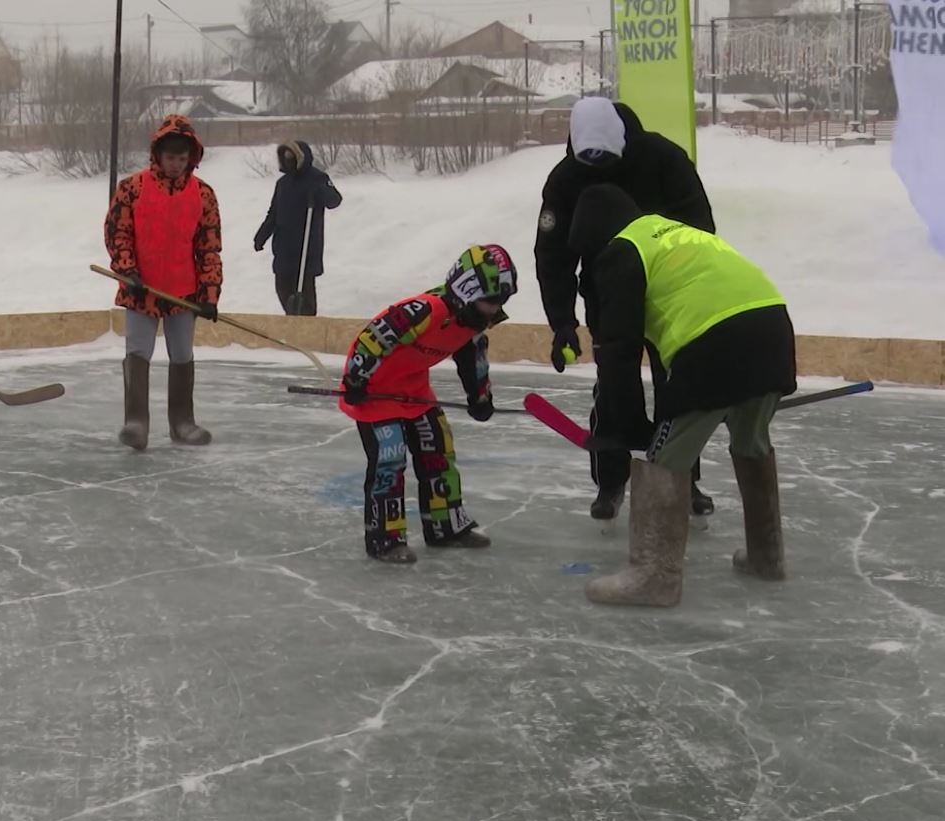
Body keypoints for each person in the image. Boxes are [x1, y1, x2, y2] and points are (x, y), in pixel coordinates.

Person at [567, 184, 797, 607]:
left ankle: (654, 575)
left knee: (665, 458)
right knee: (752, 443)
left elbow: (618, 351)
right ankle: (768, 557)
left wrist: (632, 425)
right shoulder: (675, 232)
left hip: (713, 345)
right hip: (773, 329)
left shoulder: (621, 251)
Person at [534, 96, 717, 523]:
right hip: (607, 293)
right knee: (615, 385)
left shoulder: (665, 161)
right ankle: (611, 480)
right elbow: (553, 255)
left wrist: (695, 300)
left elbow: (702, 231)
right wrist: (562, 322)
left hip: (668, 294)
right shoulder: (565, 179)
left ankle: (681, 478)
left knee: (677, 389)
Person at [338, 244, 517, 564]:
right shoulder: (426, 310)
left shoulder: (472, 323)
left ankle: (445, 526)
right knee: (389, 458)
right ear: (467, 290)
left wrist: (480, 396)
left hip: (415, 391)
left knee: (438, 448)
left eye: (499, 302)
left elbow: (473, 359)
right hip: (376, 392)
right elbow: (373, 337)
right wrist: (356, 378)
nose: (494, 309)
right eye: (490, 301)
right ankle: (385, 537)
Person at [105, 114, 222, 451]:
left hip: (183, 292)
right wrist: (128, 272)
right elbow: (118, 233)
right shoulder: (132, 188)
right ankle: (136, 421)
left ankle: (183, 422)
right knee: (138, 351)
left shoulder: (204, 195)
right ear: (157, 155)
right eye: (170, 158)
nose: (175, 165)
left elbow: (209, 246)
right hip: (141, 289)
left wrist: (209, 293)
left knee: (182, 353)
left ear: (191, 158)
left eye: (182, 159)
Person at [253, 140, 342, 316]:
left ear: (300, 157)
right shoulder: (282, 184)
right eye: (283, 156)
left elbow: (334, 201)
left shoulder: (318, 178)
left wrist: (320, 191)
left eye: (290, 156)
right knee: (283, 289)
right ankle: (292, 323)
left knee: (305, 292)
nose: (287, 160)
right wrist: (262, 235)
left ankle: (307, 327)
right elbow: (274, 213)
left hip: (306, 248)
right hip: (284, 248)